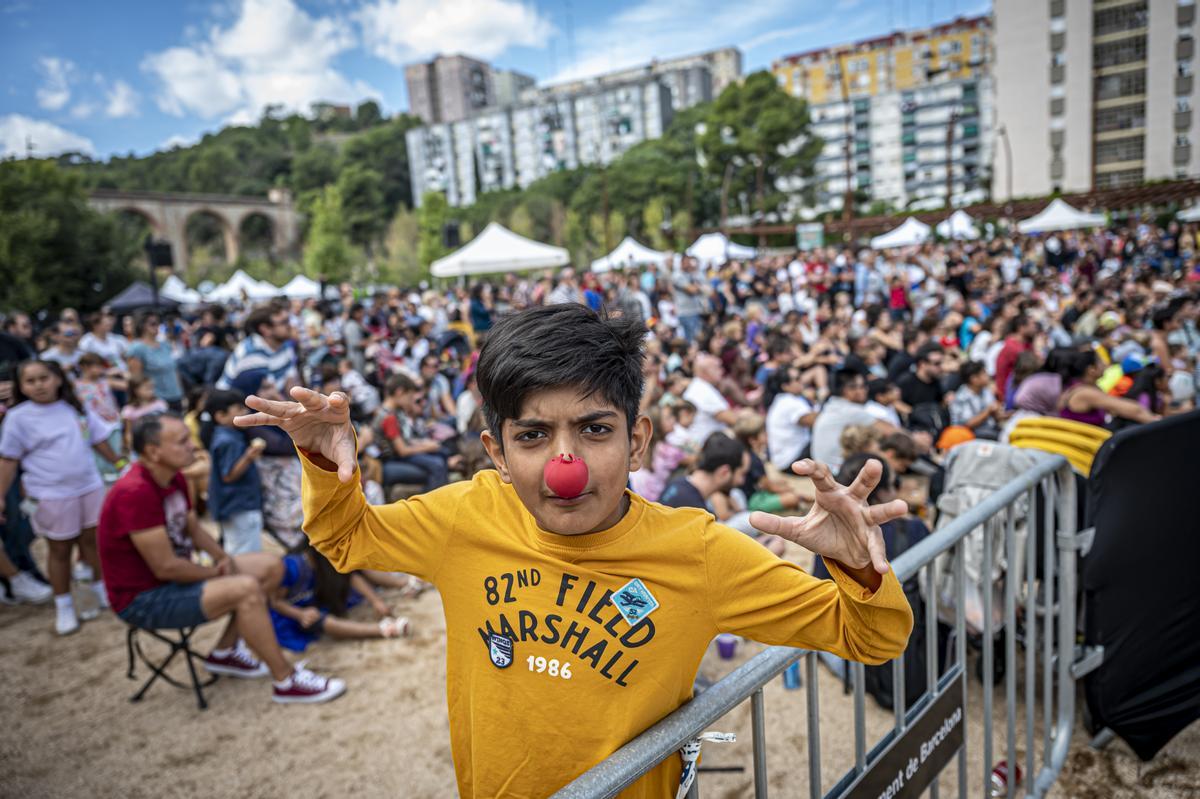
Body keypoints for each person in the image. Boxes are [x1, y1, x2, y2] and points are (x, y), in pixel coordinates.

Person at [235, 303, 912, 799]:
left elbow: (874, 636)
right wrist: (323, 464)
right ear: (496, 450)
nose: (567, 464)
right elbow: (345, 538)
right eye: (532, 435)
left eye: (594, 429)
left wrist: (856, 563)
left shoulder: (698, 552)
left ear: (637, 439)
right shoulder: (466, 513)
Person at [97, 413, 344, 703]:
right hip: (144, 598)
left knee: (270, 567)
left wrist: (223, 559)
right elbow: (165, 567)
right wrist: (218, 574)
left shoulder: (173, 476)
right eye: (182, 441)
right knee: (246, 588)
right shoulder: (135, 493)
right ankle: (286, 680)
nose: (193, 445)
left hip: (172, 580)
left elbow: (191, 527)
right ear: (153, 452)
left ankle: (225, 652)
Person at [0, 360, 123, 634]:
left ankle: (101, 589)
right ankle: (64, 604)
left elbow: (97, 439)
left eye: (44, 378)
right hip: (51, 494)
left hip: (88, 486)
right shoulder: (18, 417)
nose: (39, 385)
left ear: (57, 379)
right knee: (60, 549)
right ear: (21, 387)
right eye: (30, 381)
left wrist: (119, 464)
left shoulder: (75, 407)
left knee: (93, 542)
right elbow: (8, 459)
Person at [268, 543, 411, 652]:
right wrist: (300, 614)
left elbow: (350, 577)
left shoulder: (326, 560)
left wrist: (376, 601)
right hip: (288, 615)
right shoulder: (294, 566)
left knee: (358, 567)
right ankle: (382, 629)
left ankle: (406, 583)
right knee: (322, 620)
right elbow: (274, 601)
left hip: (314, 603)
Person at [205, 390, 267, 555]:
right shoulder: (228, 441)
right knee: (244, 552)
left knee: (238, 547)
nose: (245, 413)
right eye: (239, 409)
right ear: (221, 416)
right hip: (239, 505)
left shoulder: (227, 436)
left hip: (235, 505)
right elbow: (229, 475)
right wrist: (249, 456)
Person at [373, 372, 451, 492]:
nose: (410, 401)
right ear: (399, 392)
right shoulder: (388, 417)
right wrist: (427, 448)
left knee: (442, 453)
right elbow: (402, 450)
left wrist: (423, 444)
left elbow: (404, 440)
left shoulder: (391, 412)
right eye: (409, 397)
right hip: (393, 458)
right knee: (437, 465)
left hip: (398, 454)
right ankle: (432, 504)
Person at [216, 303, 299, 399]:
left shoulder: (285, 344)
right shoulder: (251, 352)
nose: (290, 326)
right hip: (232, 404)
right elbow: (270, 396)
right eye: (284, 322)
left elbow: (290, 381)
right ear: (265, 329)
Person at [126, 312, 184, 412]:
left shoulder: (165, 345)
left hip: (175, 397)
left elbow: (174, 371)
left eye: (159, 323)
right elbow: (136, 379)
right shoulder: (137, 349)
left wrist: (181, 393)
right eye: (153, 323)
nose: (157, 326)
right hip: (155, 401)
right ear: (141, 325)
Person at [628, 404, 687, 503]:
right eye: (668, 418)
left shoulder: (645, 445)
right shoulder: (666, 451)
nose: (673, 419)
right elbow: (693, 459)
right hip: (650, 498)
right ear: (658, 424)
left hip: (636, 494)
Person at [681, 352, 738, 449]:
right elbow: (733, 420)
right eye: (717, 368)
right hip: (708, 447)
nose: (722, 371)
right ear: (705, 372)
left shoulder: (701, 386)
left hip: (711, 443)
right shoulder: (703, 390)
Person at [765, 365, 817, 470]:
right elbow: (818, 422)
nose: (801, 381)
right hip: (792, 460)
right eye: (797, 379)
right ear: (785, 386)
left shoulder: (784, 399)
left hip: (786, 457)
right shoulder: (789, 402)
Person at [949, 361, 1005, 440]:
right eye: (984, 373)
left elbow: (995, 416)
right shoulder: (962, 397)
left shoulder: (985, 391)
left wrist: (1005, 414)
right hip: (968, 435)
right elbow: (968, 424)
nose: (987, 376)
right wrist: (988, 411)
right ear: (974, 379)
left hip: (988, 430)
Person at [121, 375, 168, 453]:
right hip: (143, 444)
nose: (151, 391)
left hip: (162, 440)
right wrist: (130, 446)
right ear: (136, 390)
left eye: (152, 387)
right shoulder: (129, 410)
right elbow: (128, 432)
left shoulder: (159, 404)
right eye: (147, 388)